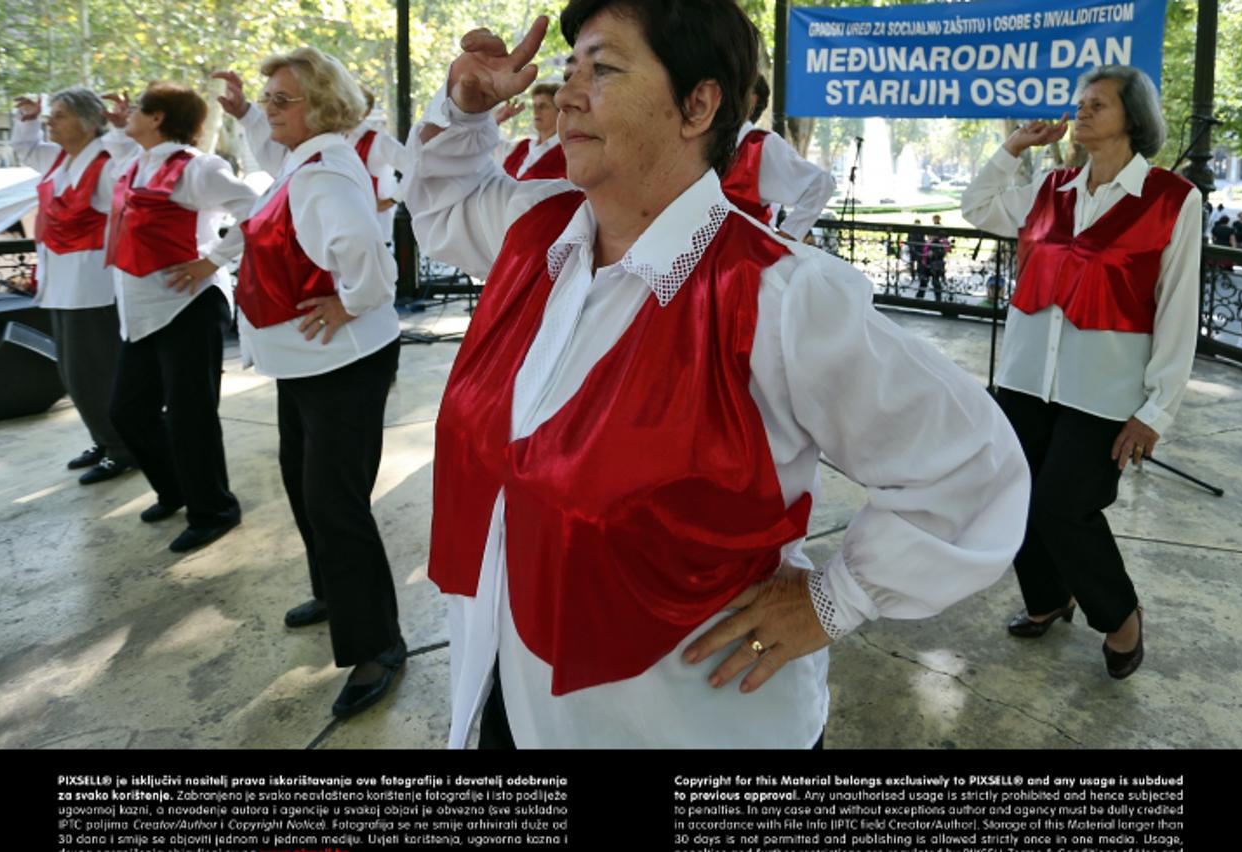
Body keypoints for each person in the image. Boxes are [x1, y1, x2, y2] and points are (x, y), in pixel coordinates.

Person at [406, 0, 1029, 748]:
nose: (566, 94)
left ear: (697, 105)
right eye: (570, 69)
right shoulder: (539, 236)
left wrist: (834, 600)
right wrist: (467, 111)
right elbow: (441, 201)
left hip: (682, 722)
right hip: (513, 691)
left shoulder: (778, 296)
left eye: (602, 69)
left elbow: (975, 467)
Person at [168, 47, 405, 717]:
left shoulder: (324, 174)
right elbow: (266, 213)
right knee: (305, 484)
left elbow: (371, 264)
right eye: (269, 98)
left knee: (336, 503)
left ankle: (378, 644)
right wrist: (245, 113)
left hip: (343, 363)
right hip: (305, 364)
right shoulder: (302, 160)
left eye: (280, 99)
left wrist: (350, 301)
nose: (268, 108)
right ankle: (335, 592)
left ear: (322, 107)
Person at [961, 64, 1202, 679]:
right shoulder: (1052, 188)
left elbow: (1178, 308)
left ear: (1133, 119)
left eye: (1098, 104)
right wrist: (1016, 145)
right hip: (1023, 380)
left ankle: (1120, 615)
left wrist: (1155, 409)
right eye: (1081, 103)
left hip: (1103, 393)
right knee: (1012, 498)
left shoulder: (1173, 200)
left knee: (1064, 506)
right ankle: (1047, 599)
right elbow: (977, 206)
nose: (1082, 111)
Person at [103, 83, 259, 553]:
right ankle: (175, 489)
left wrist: (212, 258)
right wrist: (117, 128)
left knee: (191, 416)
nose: (127, 113)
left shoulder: (198, 167)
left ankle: (213, 509)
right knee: (127, 411)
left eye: (137, 109)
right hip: (142, 310)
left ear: (158, 117)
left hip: (189, 306)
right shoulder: (135, 163)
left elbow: (255, 208)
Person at [11, 89, 136, 484]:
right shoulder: (60, 158)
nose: (52, 122)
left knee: (94, 372)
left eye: (59, 116)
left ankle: (122, 447)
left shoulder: (106, 160)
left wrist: (120, 127)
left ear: (86, 121)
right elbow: (26, 150)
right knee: (72, 372)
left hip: (91, 284)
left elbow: (132, 166)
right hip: (60, 282)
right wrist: (28, 118)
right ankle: (102, 438)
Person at [212, 69, 410, 245]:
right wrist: (244, 113)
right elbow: (276, 161)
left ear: (363, 110)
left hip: (364, 238)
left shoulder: (376, 142)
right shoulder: (312, 144)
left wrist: (392, 200)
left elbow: (415, 167)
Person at [720, 74, 834, 241]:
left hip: (744, 262)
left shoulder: (761, 146)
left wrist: (788, 236)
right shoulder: (709, 144)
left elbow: (821, 184)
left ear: (751, 100)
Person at [494, 82, 567, 180]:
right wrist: (497, 120)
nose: (536, 111)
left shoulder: (568, 153)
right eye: (534, 106)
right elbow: (482, 146)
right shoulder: (520, 147)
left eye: (542, 106)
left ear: (560, 112)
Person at [916, 213, 950, 301]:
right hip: (929, 263)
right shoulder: (931, 241)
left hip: (935, 264)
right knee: (926, 281)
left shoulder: (939, 241)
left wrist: (932, 254)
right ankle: (921, 297)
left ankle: (930, 298)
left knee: (934, 282)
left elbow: (942, 252)